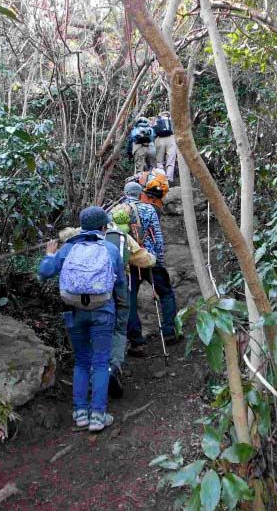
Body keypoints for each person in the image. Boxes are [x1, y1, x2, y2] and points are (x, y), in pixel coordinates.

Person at [38, 206, 126, 432]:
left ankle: (80, 414)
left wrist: (50, 254)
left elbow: (45, 272)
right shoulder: (109, 248)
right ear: (103, 227)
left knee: (82, 361)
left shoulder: (68, 248)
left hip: (74, 311)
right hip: (103, 311)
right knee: (101, 362)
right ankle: (98, 416)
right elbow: (119, 283)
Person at [58, 215, 156, 398]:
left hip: (83, 296)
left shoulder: (78, 238)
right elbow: (143, 259)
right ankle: (112, 367)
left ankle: (92, 375)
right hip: (114, 291)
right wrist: (153, 257)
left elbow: (59, 252)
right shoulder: (121, 237)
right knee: (118, 329)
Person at [115, 181, 179, 356]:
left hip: (129, 262)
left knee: (130, 301)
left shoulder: (117, 211)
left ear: (125, 193)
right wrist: (160, 260)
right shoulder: (149, 209)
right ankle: (169, 332)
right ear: (140, 194)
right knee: (165, 293)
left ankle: (137, 343)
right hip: (149, 259)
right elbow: (157, 236)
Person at [152, 110, 177, 183]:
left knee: (159, 161)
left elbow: (153, 132)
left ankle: (160, 177)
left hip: (159, 140)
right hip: (171, 139)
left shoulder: (157, 120)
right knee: (170, 160)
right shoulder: (172, 119)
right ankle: (169, 178)